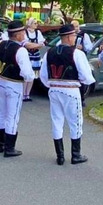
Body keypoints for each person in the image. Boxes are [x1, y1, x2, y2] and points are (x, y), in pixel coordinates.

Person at [39, 24, 94, 165]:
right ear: (69, 37)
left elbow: (43, 76)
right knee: (75, 121)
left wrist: (52, 84)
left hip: (54, 89)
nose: (75, 38)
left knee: (57, 121)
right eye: (74, 36)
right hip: (70, 89)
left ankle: (60, 156)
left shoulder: (49, 52)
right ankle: (76, 155)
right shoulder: (77, 53)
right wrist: (80, 82)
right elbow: (86, 76)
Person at [0, 20, 35, 156]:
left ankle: (1, 144)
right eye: (23, 32)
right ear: (17, 35)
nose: (24, 35)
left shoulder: (1, 45)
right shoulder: (20, 50)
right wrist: (29, 78)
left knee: (1, 113)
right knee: (12, 116)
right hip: (14, 84)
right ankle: (9, 148)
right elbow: (27, 73)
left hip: (0, 82)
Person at [21, 18, 45, 102]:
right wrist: (36, 45)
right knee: (25, 74)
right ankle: (22, 93)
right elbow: (26, 45)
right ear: (30, 24)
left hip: (35, 56)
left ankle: (27, 94)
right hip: (27, 55)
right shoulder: (25, 32)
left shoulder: (38, 32)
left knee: (32, 75)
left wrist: (33, 45)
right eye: (34, 23)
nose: (36, 24)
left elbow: (42, 44)